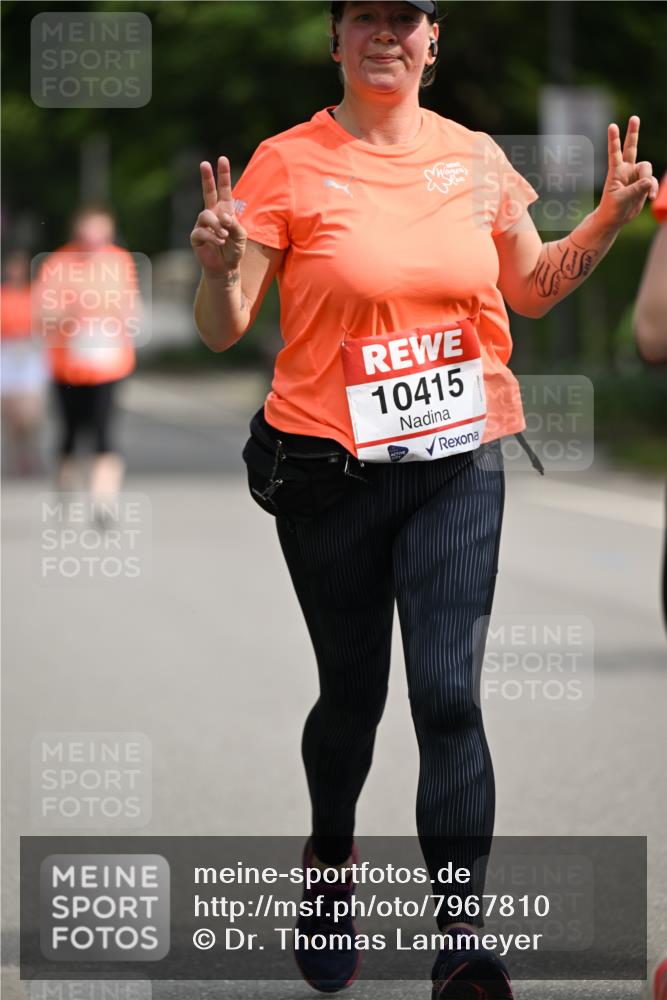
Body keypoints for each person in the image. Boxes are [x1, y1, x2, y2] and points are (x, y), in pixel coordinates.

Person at [191, 2, 658, 995]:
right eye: (362, 17)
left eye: (403, 18)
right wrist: (219, 266)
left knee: (448, 697)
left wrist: (609, 220)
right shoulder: (285, 162)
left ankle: (460, 935)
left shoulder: (477, 158)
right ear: (335, 40)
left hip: (459, 458)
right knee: (353, 700)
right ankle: (329, 865)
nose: (384, 34)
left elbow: (529, 287)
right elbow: (228, 326)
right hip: (328, 471)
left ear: (432, 39)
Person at [36, 205, 138, 518]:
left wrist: (119, 320)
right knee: (68, 433)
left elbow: (131, 306)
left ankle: (102, 501)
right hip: (67, 366)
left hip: (109, 365)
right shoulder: (57, 263)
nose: (94, 243)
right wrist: (72, 313)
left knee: (105, 434)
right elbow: (41, 313)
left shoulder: (120, 262)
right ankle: (66, 491)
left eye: (101, 235)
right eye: (87, 236)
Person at [1, 249, 48, 475]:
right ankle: (13, 455)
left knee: (30, 412)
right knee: (10, 411)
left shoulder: (36, 295)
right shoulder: (3, 295)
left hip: (30, 353)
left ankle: (31, 450)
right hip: (7, 353)